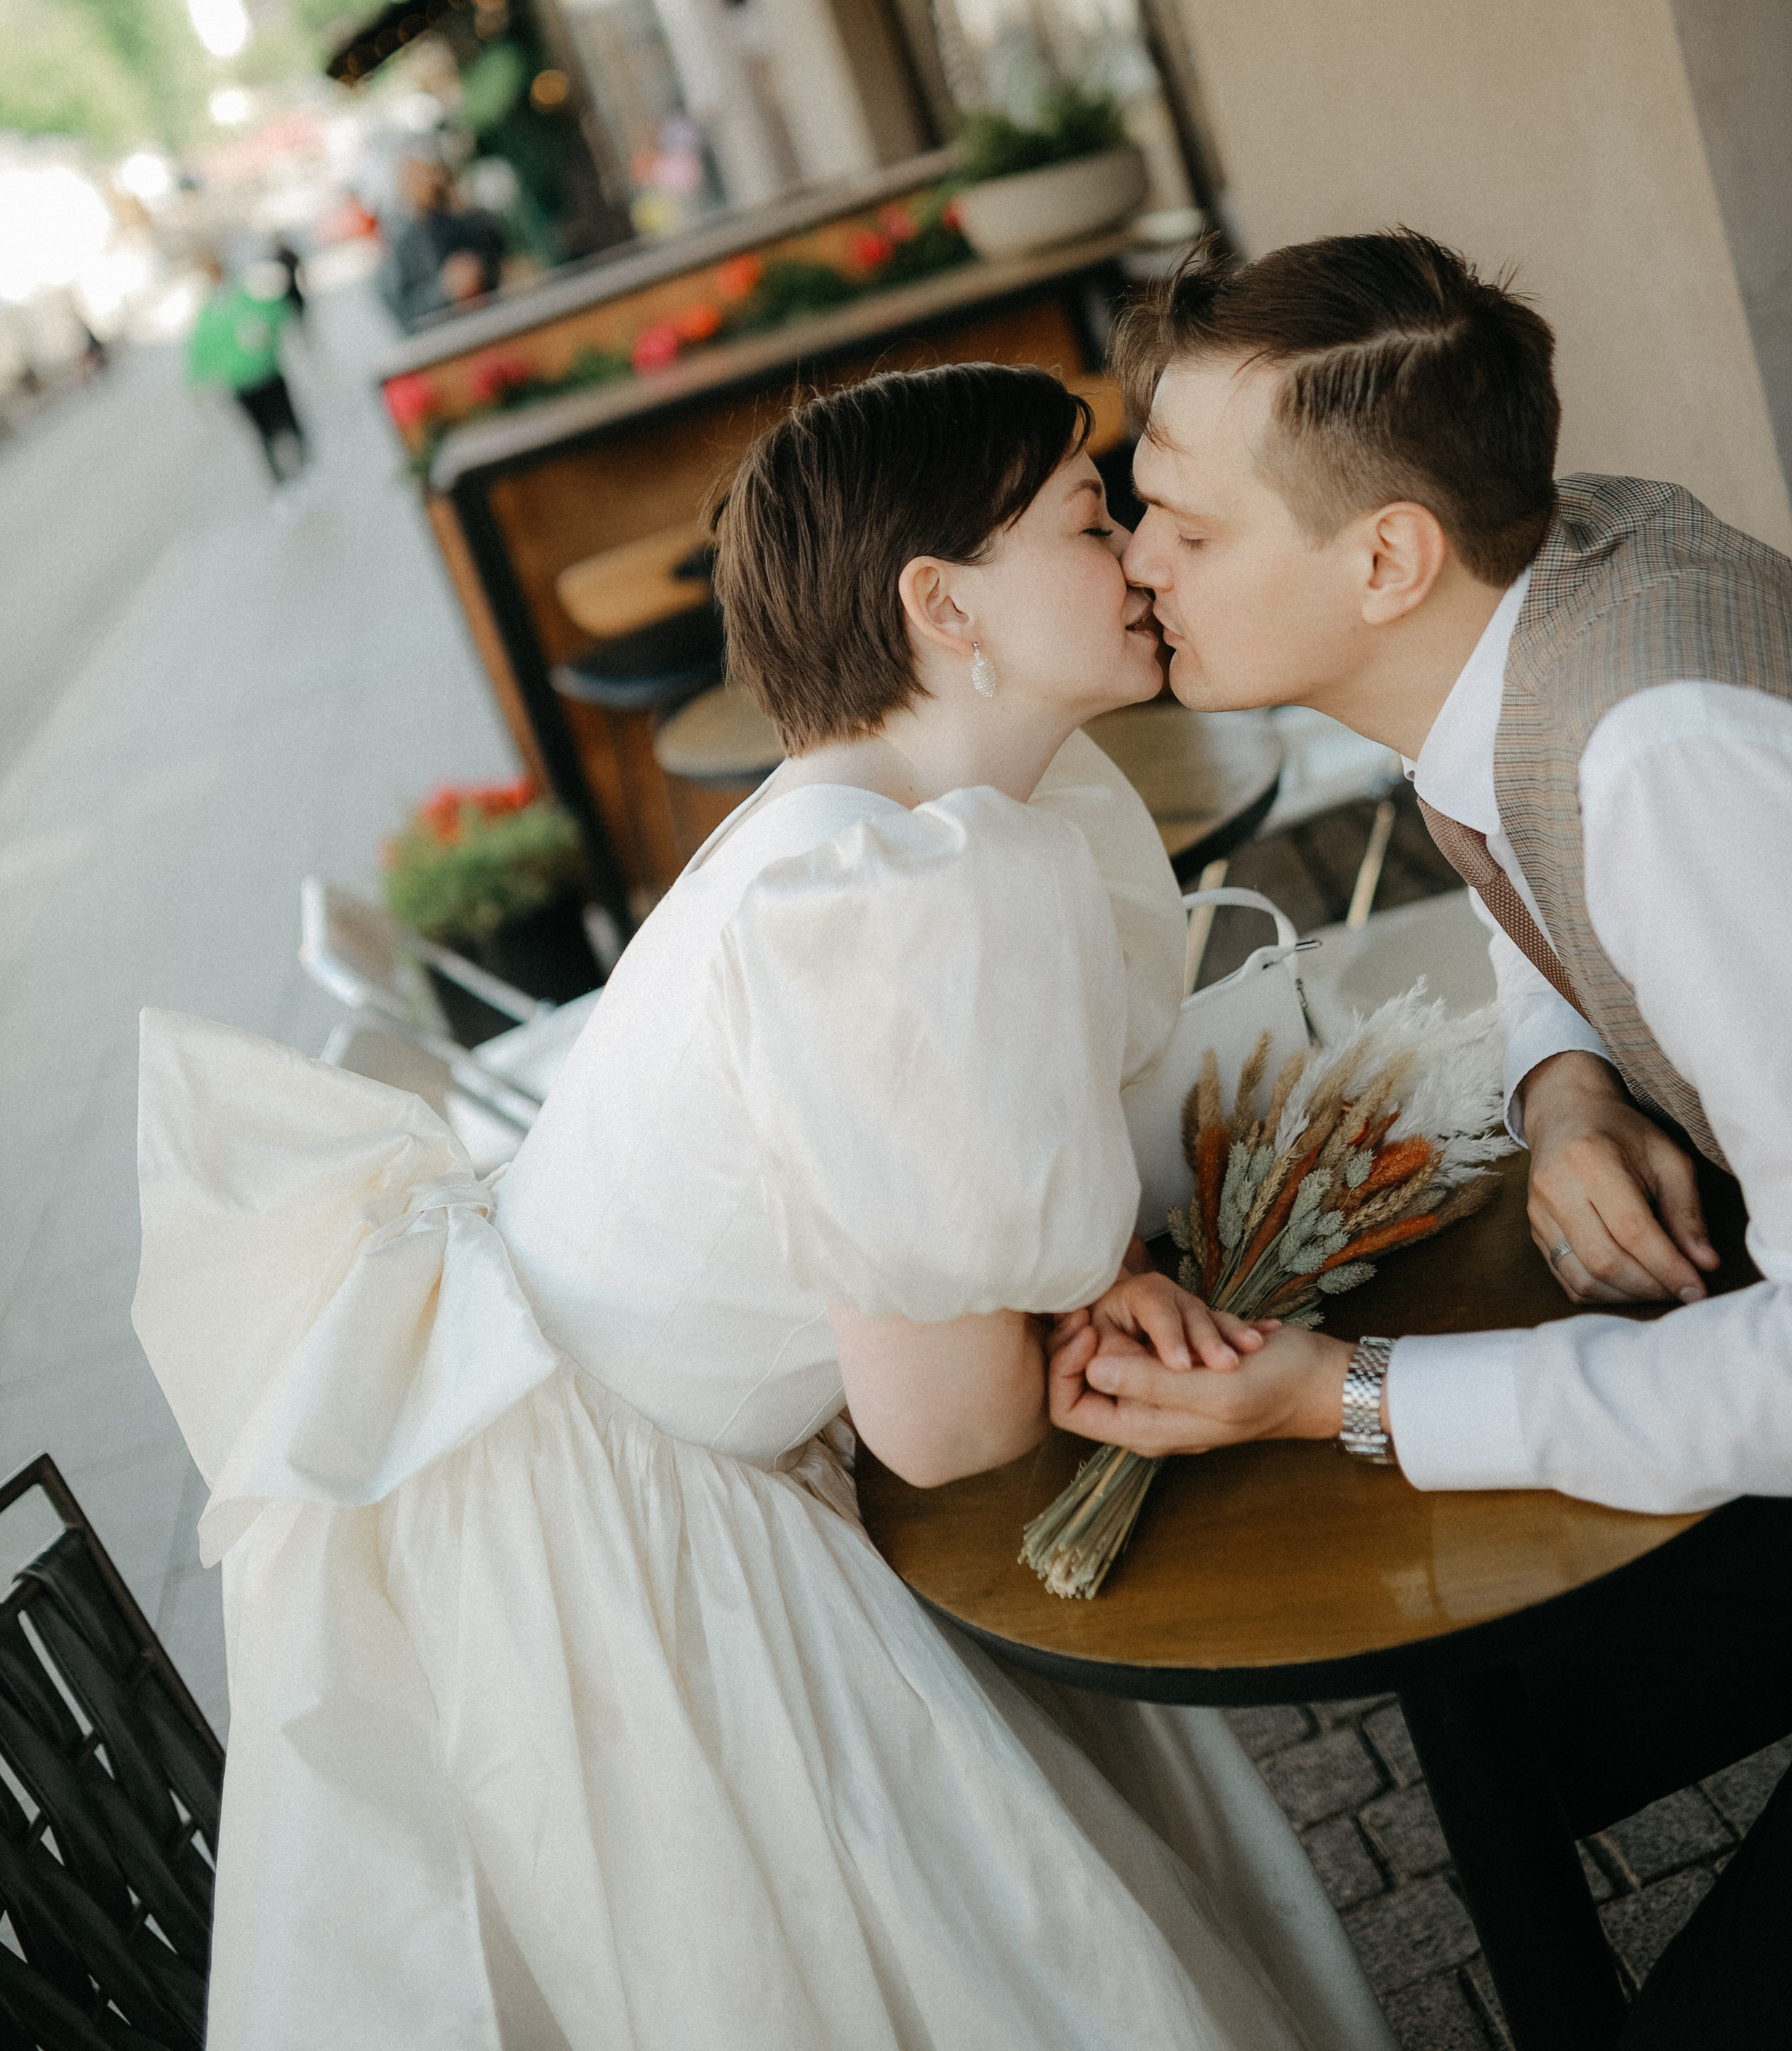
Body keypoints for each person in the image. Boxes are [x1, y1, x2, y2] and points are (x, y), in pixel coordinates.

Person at [134, 363, 1394, 2051]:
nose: (1147, 557)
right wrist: (1085, 1315)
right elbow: (946, 1430)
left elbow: (959, 1176)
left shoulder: (870, 827)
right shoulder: (877, 899)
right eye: (1095, 523)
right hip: (628, 1528)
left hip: (565, 1431)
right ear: (942, 604)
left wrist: (1079, 1271)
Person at [1046, 233, 1792, 2040]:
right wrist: (1568, 1083)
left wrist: (1340, 1400)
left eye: (1187, 529)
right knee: (1520, 1707)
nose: (1135, 567)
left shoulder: (1661, 759)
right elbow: (1532, 857)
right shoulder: (1546, 571)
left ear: (1386, 557)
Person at [184, 251, 306, 485]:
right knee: (263, 432)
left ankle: (303, 462)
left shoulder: (247, 294)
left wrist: (266, 329)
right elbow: (199, 352)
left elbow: (278, 311)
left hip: (266, 370)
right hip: (241, 381)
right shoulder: (207, 314)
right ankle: (280, 479)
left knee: (286, 420)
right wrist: (196, 387)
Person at [379, 155, 506, 330]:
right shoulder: (400, 244)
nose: (429, 182)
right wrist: (444, 288)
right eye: (418, 178)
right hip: (446, 336)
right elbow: (402, 313)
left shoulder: (465, 220)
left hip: (490, 319)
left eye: (432, 174)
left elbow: (499, 258)